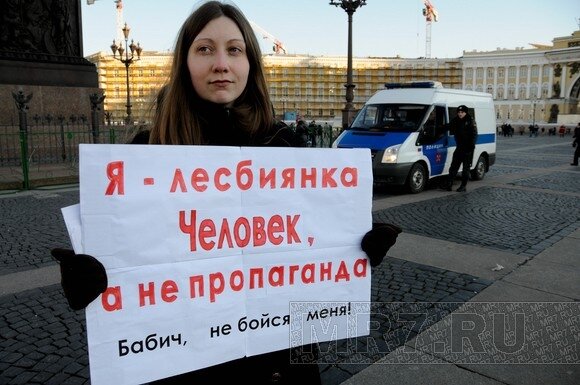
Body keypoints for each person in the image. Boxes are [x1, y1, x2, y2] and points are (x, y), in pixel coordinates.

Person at [50, 2, 402, 384]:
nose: (221, 63)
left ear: (250, 63)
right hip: (185, 364)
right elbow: (126, 265)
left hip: (279, 363)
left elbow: (311, 246)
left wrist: (355, 248)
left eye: (234, 49)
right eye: (204, 49)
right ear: (184, 62)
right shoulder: (146, 152)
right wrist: (93, 278)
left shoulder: (283, 146)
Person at [442, 105, 478, 192]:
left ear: (466, 113)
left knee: (466, 169)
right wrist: (440, 127)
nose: (460, 114)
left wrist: (470, 147)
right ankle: (449, 184)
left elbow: (474, 135)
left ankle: (463, 186)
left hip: (468, 148)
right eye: (459, 112)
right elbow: (449, 126)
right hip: (459, 147)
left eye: (462, 112)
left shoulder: (470, 121)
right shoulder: (456, 120)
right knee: (454, 166)